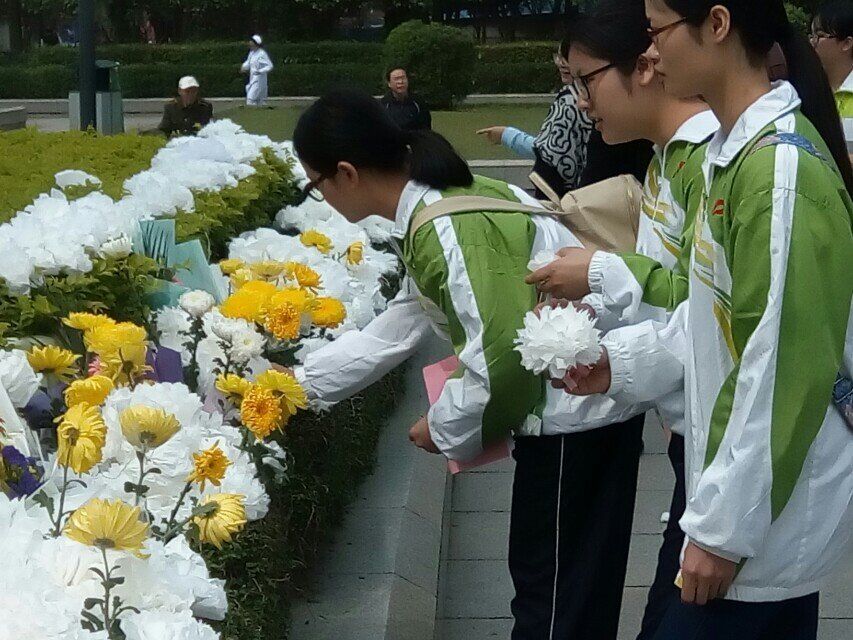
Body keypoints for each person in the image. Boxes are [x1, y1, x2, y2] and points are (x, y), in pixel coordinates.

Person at [291, 89, 667, 640]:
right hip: (586, 415)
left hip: (572, 421)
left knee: (554, 605)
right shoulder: (446, 202)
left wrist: (441, 427)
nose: (320, 196)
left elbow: (500, 361)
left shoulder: (442, 226)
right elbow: (399, 327)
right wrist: (295, 387)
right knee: (568, 593)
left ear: (345, 173)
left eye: (315, 183)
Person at [530, 1, 853, 638]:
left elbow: (783, 364)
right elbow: (707, 323)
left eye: (655, 31)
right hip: (744, 492)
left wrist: (721, 532)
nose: (649, 53)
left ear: (718, 23)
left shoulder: (776, 173)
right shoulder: (733, 157)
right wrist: (617, 365)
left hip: (762, 512)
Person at [477, 40, 593, 196]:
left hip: (569, 201)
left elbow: (549, 155)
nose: (562, 63)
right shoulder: (592, 96)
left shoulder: (569, 99)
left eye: (567, 57)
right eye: (559, 56)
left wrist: (507, 135)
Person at [811, 1, 853, 155]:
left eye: (820, 36)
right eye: (812, 35)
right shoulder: (811, 91)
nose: (812, 42)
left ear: (847, 43)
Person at [380, 66, 432, 131]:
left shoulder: (418, 102)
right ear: (389, 83)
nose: (400, 82)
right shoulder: (383, 105)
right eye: (396, 79)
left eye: (403, 78)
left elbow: (426, 129)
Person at [241, 35, 274, 107]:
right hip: (252, 79)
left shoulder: (262, 53)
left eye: (251, 42)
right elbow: (248, 62)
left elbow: (270, 66)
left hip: (259, 80)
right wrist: (244, 67)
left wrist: (260, 71)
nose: (249, 43)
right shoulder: (251, 53)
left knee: (251, 99)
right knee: (258, 102)